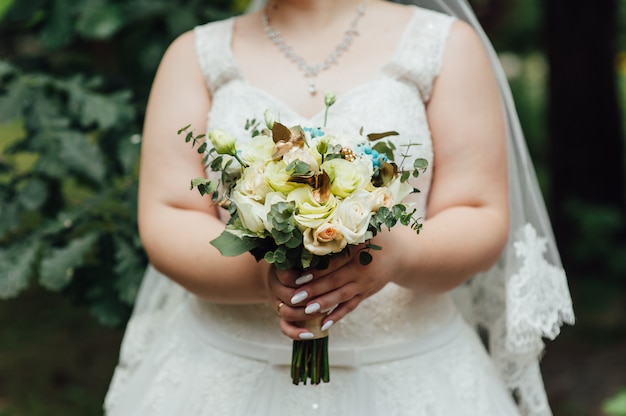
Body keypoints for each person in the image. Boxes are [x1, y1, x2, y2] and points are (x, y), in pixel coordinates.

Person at [104, 0, 574, 415]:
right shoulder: (195, 55)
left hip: (409, 367)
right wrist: (261, 274)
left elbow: (478, 211)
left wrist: (399, 255)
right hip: (221, 366)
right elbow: (169, 213)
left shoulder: (445, 46)